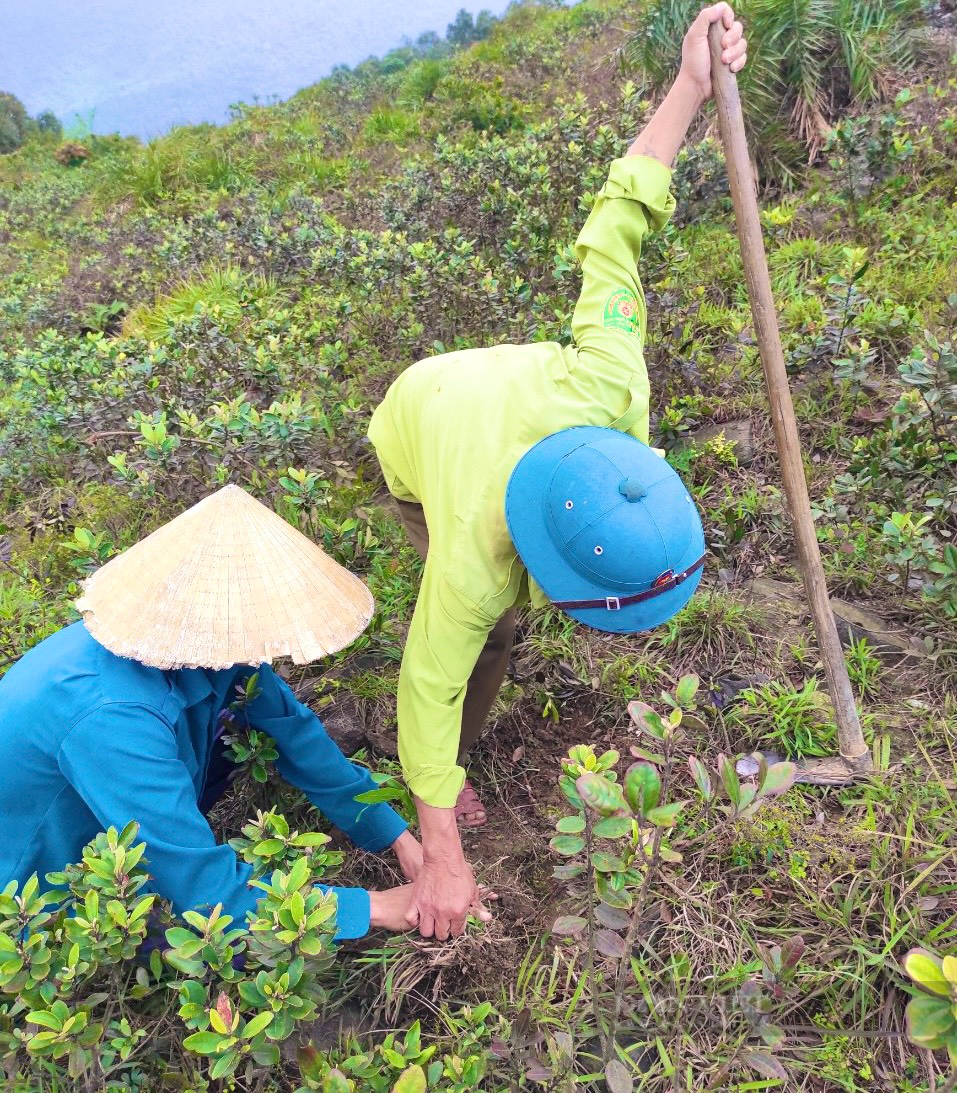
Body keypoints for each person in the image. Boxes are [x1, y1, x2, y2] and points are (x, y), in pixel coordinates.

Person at [367, 3, 748, 942]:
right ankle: (448, 778)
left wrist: (692, 81)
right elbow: (423, 682)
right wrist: (441, 844)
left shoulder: (613, 376)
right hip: (419, 421)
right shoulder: (470, 557)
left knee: (499, 625)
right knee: (483, 638)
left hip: (507, 393)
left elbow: (616, 221)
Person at [0, 485, 479, 941]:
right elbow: (207, 897)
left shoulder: (213, 651)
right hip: (34, 896)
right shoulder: (112, 717)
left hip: (109, 807)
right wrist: (378, 907)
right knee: (181, 931)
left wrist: (401, 841)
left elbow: (299, 740)